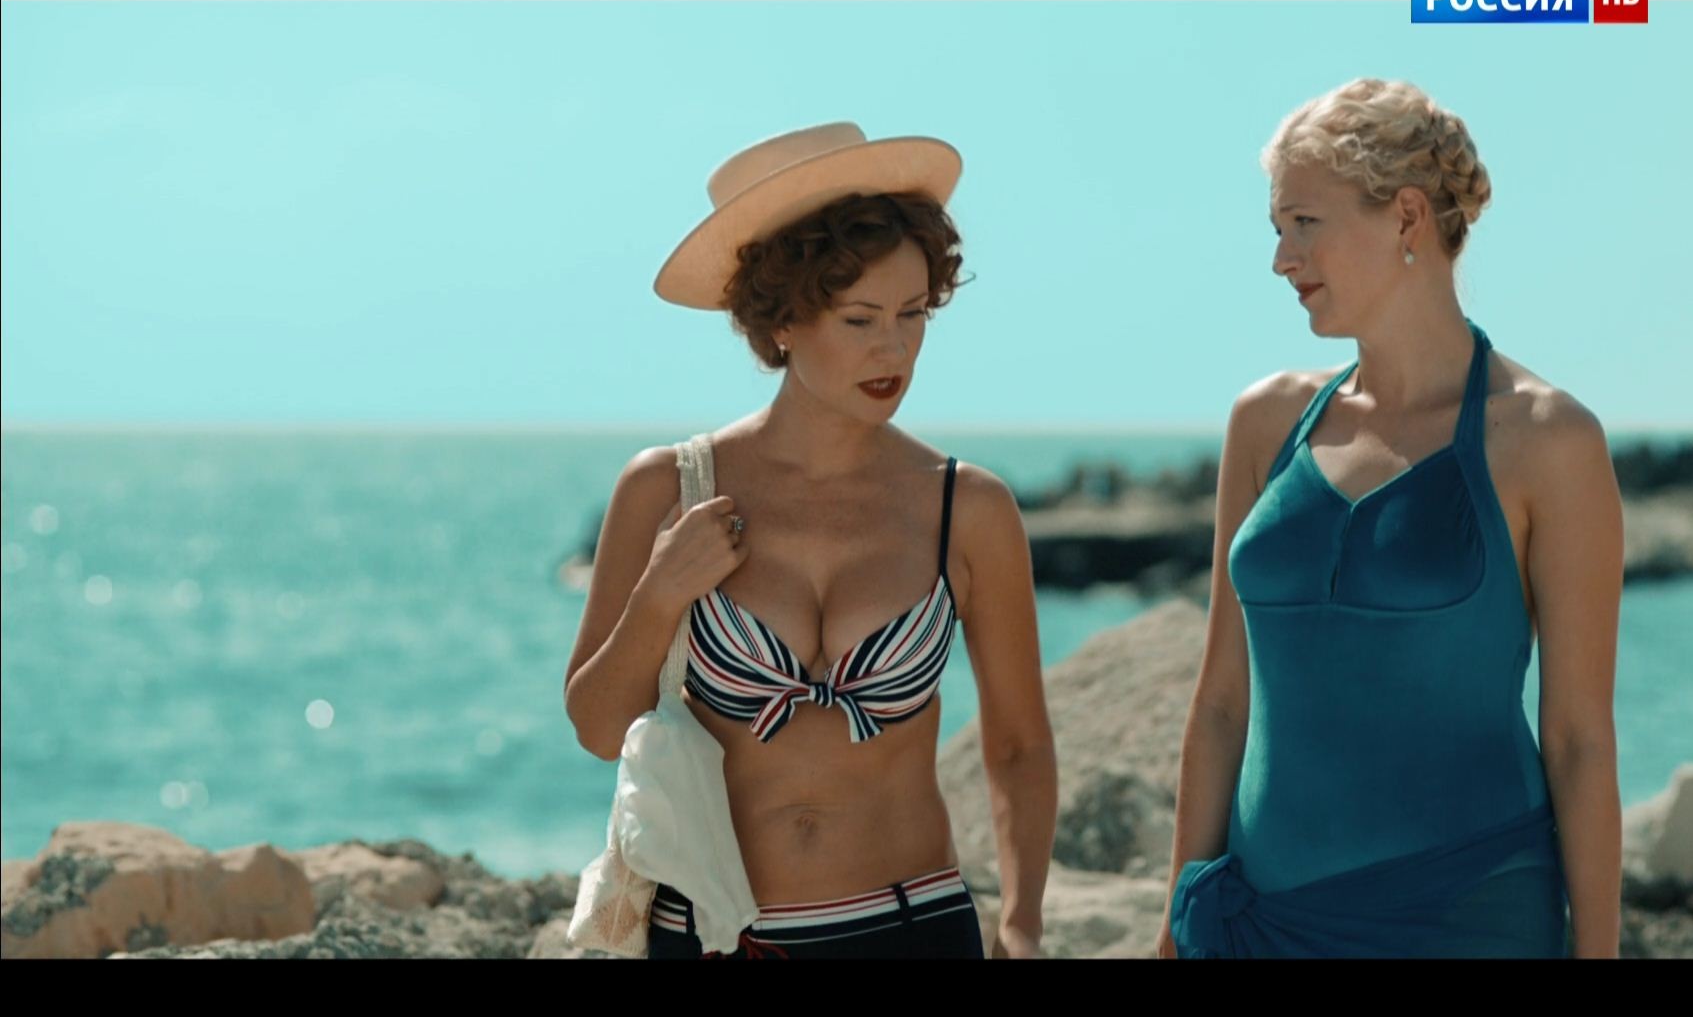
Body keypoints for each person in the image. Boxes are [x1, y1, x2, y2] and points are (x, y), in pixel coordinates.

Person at [563, 122, 1055, 959]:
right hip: (717, 936)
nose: (893, 348)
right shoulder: (667, 489)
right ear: (783, 320)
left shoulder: (967, 507)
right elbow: (598, 728)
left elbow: (1018, 744)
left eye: (913, 314)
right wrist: (661, 593)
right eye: (860, 319)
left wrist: (1021, 922)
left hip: (912, 928)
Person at [1157, 80, 1624, 958]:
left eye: (1304, 223)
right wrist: (1182, 915)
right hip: (1258, 923)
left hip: (1465, 919)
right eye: (1277, 229)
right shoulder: (1266, 422)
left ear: (1407, 217)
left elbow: (1578, 739)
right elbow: (1221, 704)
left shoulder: (1547, 439)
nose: (1282, 258)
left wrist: (1596, 951)